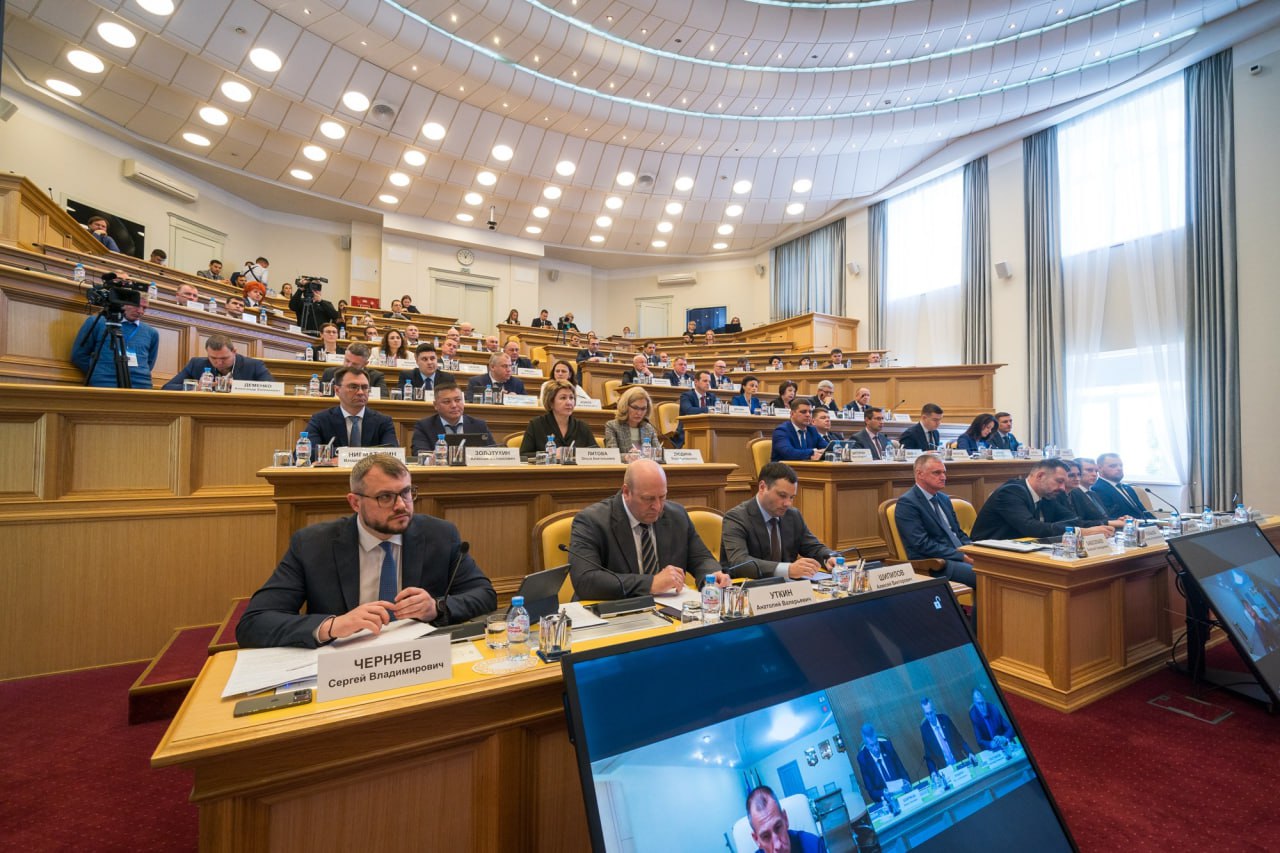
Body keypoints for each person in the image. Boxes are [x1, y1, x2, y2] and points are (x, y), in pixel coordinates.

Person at [235, 454, 496, 648]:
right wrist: (332, 626)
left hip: (418, 659)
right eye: (385, 497)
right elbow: (254, 623)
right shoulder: (313, 545)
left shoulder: (440, 534)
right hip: (346, 667)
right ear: (355, 503)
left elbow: (484, 595)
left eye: (406, 492)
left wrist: (436, 607)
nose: (401, 505)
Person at [567, 459, 726, 599]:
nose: (657, 507)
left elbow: (701, 559)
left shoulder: (677, 515)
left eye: (662, 497)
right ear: (626, 492)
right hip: (612, 612)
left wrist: (712, 575)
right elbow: (585, 580)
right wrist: (650, 583)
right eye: (648, 499)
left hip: (667, 611)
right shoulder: (591, 521)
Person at [721, 462, 835, 579]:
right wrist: (788, 569)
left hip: (789, 587)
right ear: (762, 487)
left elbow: (813, 547)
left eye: (791, 497)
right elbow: (740, 563)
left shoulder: (793, 515)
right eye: (782, 495)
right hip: (749, 586)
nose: (788, 503)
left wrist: (829, 557)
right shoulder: (736, 518)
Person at [970, 458, 1114, 540]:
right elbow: (1031, 528)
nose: (1062, 488)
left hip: (1024, 549)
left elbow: (1073, 519)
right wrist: (1080, 532)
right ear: (1040, 476)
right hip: (990, 554)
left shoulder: (1047, 495)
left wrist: (1093, 528)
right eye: (1059, 481)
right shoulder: (1010, 492)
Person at [893, 455, 977, 586]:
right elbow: (922, 544)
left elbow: (958, 533)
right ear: (919, 474)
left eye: (944, 472)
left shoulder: (944, 499)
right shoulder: (908, 503)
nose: (943, 477)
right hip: (937, 563)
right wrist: (961, 556)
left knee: (998, 568)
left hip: (958, 555)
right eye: (937, 473)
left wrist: (974, 551)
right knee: (985, 575)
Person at [303, 366, 398, 455]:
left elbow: (393, 454)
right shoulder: (320, 420)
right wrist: (348, 456)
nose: (360, 392)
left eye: (365, 387)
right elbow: (306, 453)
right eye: (353, 387)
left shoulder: (383, 421)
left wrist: (340, 455)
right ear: (337, 390)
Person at [71, 294, 158, 388]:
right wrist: (99, 372)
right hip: (105, 384)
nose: (140, 311)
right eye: (136, 306)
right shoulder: (97, 322)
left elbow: (150, 363)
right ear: (123, 304)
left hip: (142, 385)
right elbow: (79, 355)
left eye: (144, 308)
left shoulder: (151, 333)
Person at [519, 379, 598, 458]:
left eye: (571, 398)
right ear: (551, 402)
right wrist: (550, 455)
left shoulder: (582, 426)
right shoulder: (536, 424)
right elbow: (523, 455)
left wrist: (570, 452)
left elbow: (596, 452)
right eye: (563, 398)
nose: (569, 402)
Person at [162, 334, 274, 390]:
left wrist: (237, 386)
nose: (219, 363)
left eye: (224, 358)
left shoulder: (254, 365)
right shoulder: (196, 364)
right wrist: (195, 388)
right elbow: (167, 387)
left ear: (234, 352)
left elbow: (272, 389)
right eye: (213, 358)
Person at [409, 382, 494, 453]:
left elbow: (493, 452)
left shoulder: (479, 425)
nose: (454, 405)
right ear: (435, 405)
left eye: (458, 400)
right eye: (447, 402)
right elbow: (419, 452)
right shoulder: (424, 426)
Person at [744, 786, 827, 853]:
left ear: (785, 819)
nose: (778, 845)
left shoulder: (813, 846)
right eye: (766, 836)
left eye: (778, 828)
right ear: (756, 839)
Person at [1052, 459, 1125, 529]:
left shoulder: (1091, 493)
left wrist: (1118, 520)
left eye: (1096, 471)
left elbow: (1100, 517)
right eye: (1089, 470)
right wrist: (1111, 522)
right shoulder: (1063, 494)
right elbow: (1075, 522)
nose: (1094, 474)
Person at [856, 723, 911, 807]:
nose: (876, 748)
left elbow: (902, 771)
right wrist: (883, 794)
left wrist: (907, 782)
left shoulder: (888, 747)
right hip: (885, 801)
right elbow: (871, 791)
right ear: (866, 746)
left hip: (902, 794)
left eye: (876, 743)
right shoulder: (862, 759)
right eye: (871, 746)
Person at [1090, 453, 1155, 520]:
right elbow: (1110, 517)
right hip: (1127, 525)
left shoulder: (1128, 488)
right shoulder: (1097, 489)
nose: (1119, 468)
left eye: (1121, 465)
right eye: (1113, 466)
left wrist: (1158, 522)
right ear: (1099, 468)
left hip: (1147, 524)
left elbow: (1144, 512)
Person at [919, 697, 975, 773]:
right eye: (927, 714)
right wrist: (933, 772)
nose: (930, 717)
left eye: (931, 713)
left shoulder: (945, 720)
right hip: (944, 769)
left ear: (935, 710)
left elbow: (959, 739)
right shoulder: (925, 729)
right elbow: (928, 755)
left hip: (959, 762)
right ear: (924, 714)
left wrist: (969, 753)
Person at [604, 387, 661, 456]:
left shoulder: (648, 428)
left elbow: (659, 453)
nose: (639, 413)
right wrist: (627, 457)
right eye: (635, 408)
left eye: (643, 409)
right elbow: (612, 455)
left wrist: (658, 453)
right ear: (625, 406)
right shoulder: (612, 426)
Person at [320, 343, 389, 394]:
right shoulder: (329, 373)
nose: (349, 365)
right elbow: (320, 393)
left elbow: (383, 396)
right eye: (347, 361)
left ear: (365, 364)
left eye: (355, 364)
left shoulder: (376, 377)